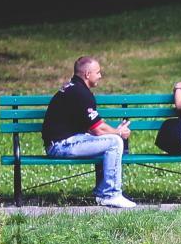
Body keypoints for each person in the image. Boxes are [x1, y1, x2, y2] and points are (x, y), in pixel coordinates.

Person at [42, 56, 138, 208]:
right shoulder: (81, 94)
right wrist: (118, 133)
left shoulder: (73, 88)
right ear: (87, 74)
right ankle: (111, 194)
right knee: (114, 142)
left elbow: (93, 126)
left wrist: (114, 131)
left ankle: (102, 193)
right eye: (98, 72)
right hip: (61, 146)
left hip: (62, 143)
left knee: (109, 142)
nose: (100, 76)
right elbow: (98, 130)